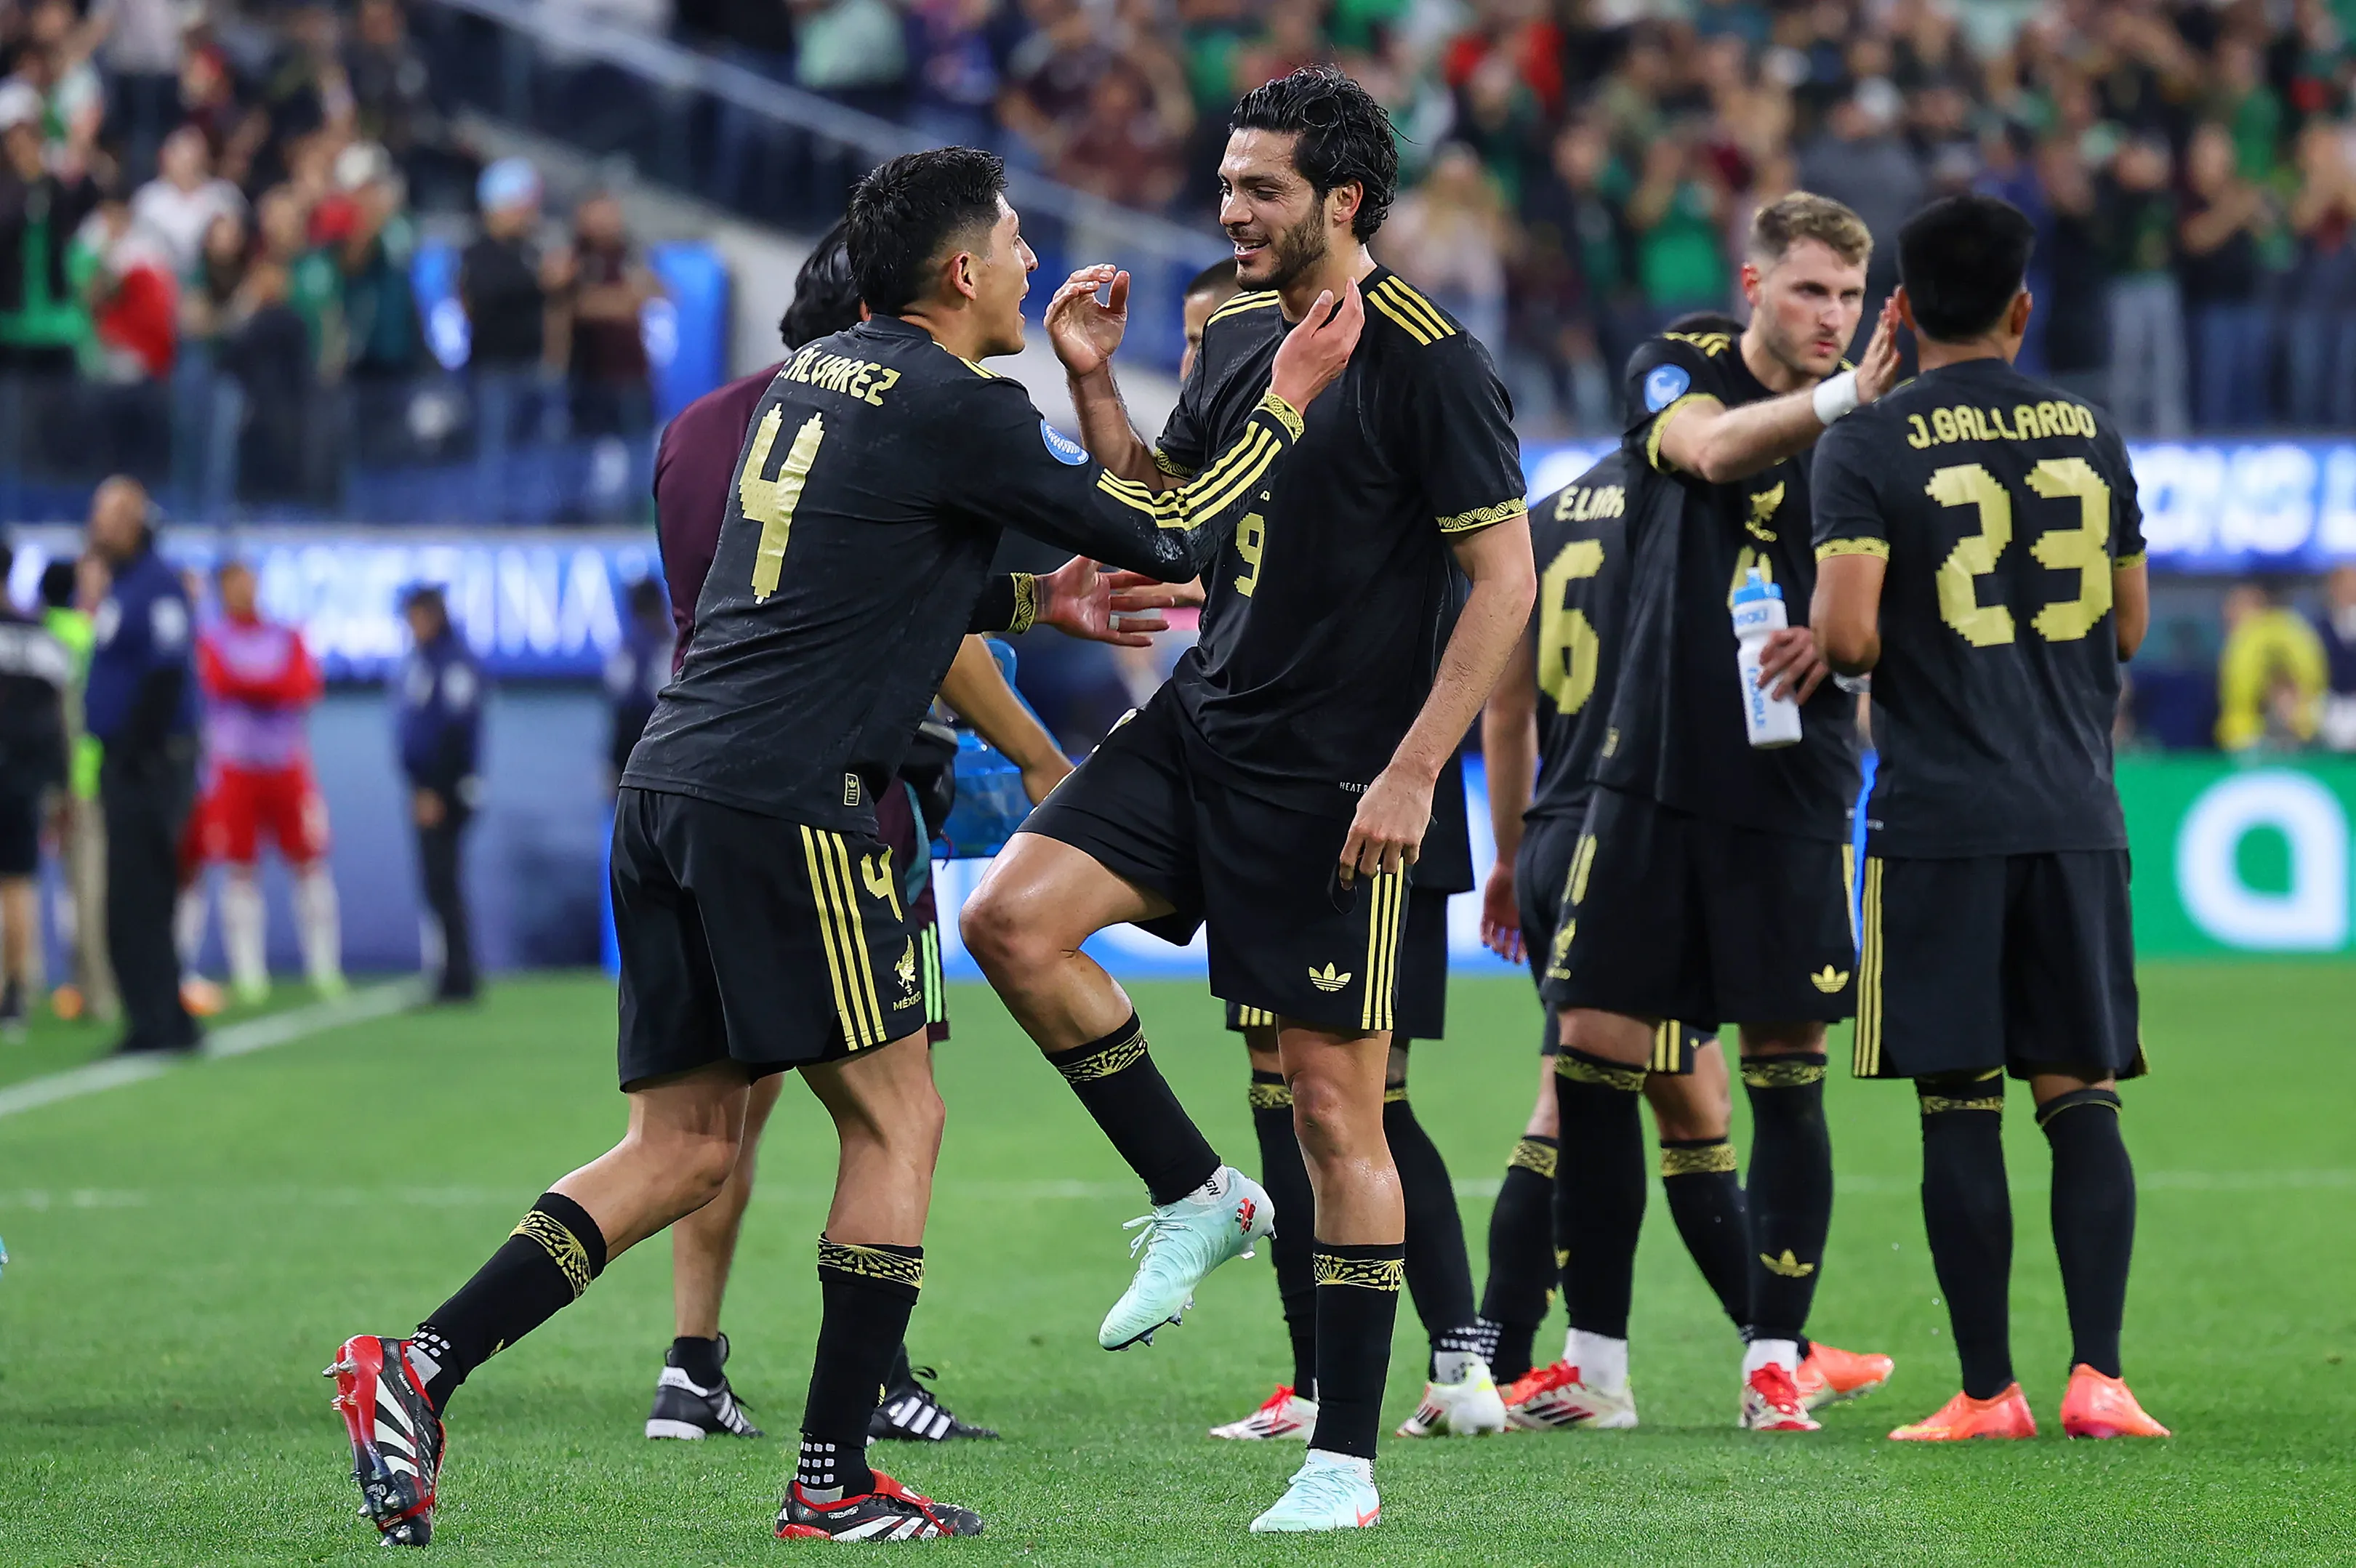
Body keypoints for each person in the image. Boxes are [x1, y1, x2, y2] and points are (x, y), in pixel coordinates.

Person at [323, 144, 1358, 1547]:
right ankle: (831, 1475)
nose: (1029, 259)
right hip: (792, 800)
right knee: (898, 1115)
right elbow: (1174, 533)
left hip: (671, 786)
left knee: (681, 1145)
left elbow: (839, 578)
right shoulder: (959, 401)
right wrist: (1284, 405)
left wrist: (1022, 597)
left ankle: (419, 1363)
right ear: (959, 271)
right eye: (1010, 237)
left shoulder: (808, 381)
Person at [960, 68, 1534, 1532]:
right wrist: (1093, 381)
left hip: (1345, 779)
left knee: (1343, 1110)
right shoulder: (1238, 333)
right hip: (1207, 723)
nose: (1230, 207)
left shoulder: (1435, 364)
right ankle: (1202, 1193)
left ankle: (1341, 1460)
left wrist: (1418, 768)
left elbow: (1505, 581)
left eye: (1261, 188)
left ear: (1345, 200)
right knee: (1014, 918)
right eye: (1226, 183)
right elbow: (1181, 508)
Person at [635, 220, 1141, 1451]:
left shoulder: (697, 431)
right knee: (898, 1104)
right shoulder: (887, 420)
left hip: (690, 773)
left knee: (709, 1121)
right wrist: (1030, 751)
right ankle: (864, 1394)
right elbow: (931, 618)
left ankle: (689, 1362)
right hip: (832, 794)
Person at [1810, 191, 2168, 1443]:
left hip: (1939, 817)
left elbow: (1849, 637)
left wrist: (1843, 626)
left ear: (1899, 309)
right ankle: (2101, 1378)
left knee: (1955, 1103)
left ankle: (1985, 1392)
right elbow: (2125, 627)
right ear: (2025, 306)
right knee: (2081, 1097)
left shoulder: (1864, 441)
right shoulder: (2092, 428)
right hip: (2076, 810)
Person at [1543, 192, 1899, 1434]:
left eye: (1851, 300)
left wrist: (1849, 641)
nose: (1833, 319)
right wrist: (1845, 399)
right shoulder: (1678, 364)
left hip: (1792, 786)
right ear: (1754, 286)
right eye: (1810, 292)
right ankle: (1595, 1368)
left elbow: (1911, 602)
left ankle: (1772, 1359)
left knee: (1784, 1071)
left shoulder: (1876, 425)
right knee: (1589, 1046)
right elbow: (1702, 451)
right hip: (1648, 770)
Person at [186, 559, 342, 1003]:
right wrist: (269, 686)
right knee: (239, 869)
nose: (244, 591)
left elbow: (303, 686)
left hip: (287, 765)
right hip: (235, 767)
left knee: (311, 863)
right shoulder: (212, 639)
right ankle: (250, 975)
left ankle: (325, 968)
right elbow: (218, 680)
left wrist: (251, 685)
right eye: (234, 584)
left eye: (249, 581)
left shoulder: (287, 636)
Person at [84, 477, 201, 1056]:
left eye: (107, 516)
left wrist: (135, 750)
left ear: (135, 522)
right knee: (139, 893)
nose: (95, 526)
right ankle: (164, 1014)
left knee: (140, 894)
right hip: (131, 758)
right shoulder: (124, 586)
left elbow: (166, 670)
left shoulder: (156, 586)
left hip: (149, 762)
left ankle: (157, 1020)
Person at [395, 584, 481, 1004]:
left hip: (443, 790)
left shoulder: (451, 663)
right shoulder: (427, 661)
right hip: (428, 787)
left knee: (443, 881)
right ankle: (451, 972)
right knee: (438, 883)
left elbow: (454, 731)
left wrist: (435, 790)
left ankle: (458, 976)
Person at [0, 539, 68, 1038]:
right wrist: (60, 784)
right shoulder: (43, 637)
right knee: (17, 886)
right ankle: (16, 994)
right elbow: (57, 718)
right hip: (24, 779)